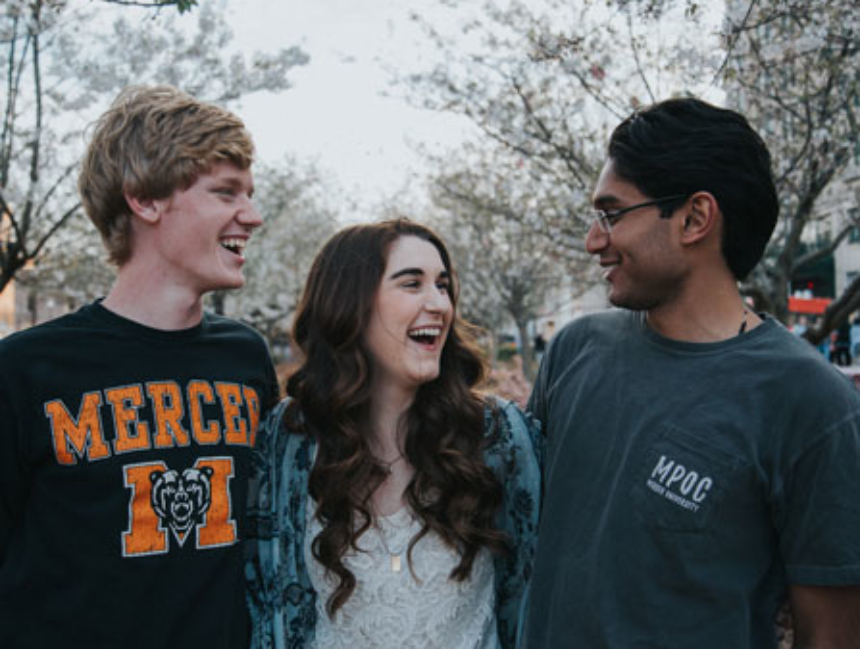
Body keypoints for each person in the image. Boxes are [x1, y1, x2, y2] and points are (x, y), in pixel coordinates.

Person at [522, 98, 860, 648]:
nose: (593, 240)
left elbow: (833, 636)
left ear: (695, 218)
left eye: (612, 214)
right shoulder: (573, 351)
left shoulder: (812, 403)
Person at [0, 85, 279, 647]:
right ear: (144, 200)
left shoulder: (245, 357)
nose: (252, 215)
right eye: (226, 193)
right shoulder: (24, 370)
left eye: (249, 193)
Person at [246, 219, 541, 648]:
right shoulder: (289, 440)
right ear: (351, 304)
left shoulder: (497, 436)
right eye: (412, 284)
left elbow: (531, 595)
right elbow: (265, 602)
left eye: (442, 286)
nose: (439, 303)